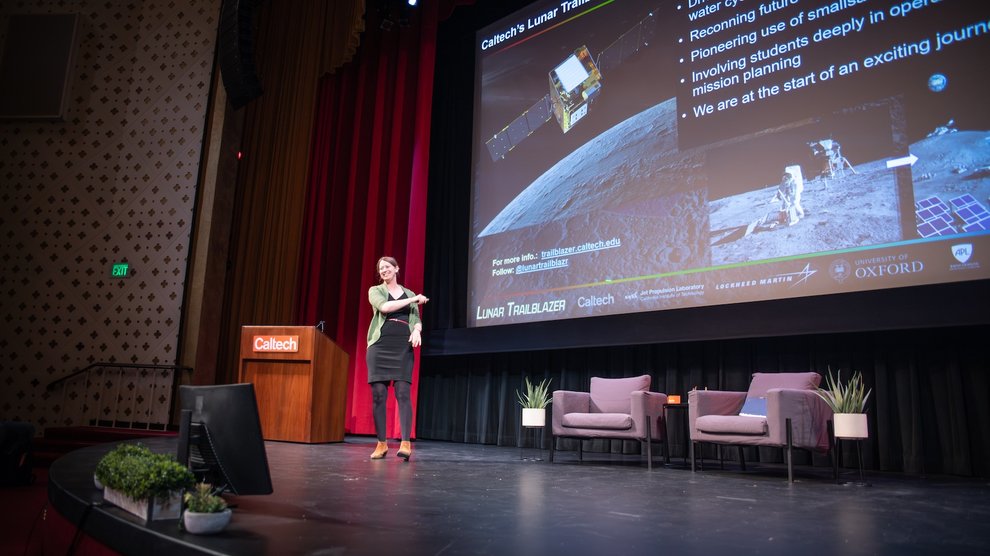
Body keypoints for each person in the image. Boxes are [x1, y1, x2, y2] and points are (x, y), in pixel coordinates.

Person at [366, 256, 428, 461]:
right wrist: (414, 299)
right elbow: (384, 308)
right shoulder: (375, 291)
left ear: (396, 269)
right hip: (379, 345)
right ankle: (381, 443)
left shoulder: (409, 292)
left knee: (403, 393)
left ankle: (405, 443)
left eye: (387, 267)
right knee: (378, 396)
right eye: (381, 268)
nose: (383, 270)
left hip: (402, 347)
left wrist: (417, 330)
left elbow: (416, 319)